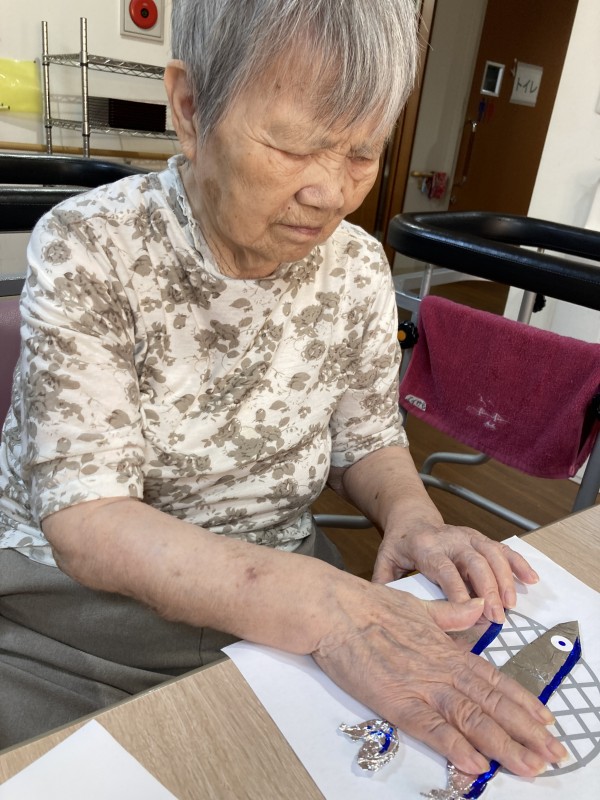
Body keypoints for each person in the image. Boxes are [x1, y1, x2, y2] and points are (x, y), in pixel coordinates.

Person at [0, 0, 566, 778]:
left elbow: (367, 438)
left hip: (284, 607)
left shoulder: (356, 267)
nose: (331, 194)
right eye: (294, 147)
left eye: (362, 153)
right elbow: (88, 521)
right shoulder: (91, 245)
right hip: (76, 626)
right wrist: (325, 608)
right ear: (190, 108)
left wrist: (414, 520)